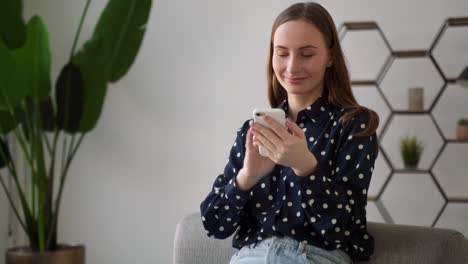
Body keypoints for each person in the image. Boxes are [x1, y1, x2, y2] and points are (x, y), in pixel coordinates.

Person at [200, 2, 379, 263]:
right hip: (251, 256)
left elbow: (343, 230)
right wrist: (247, 177)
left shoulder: (353, 125)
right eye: (282, 53)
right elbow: (213, 224)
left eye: (306, 54)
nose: (292, 66)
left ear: (330, 56)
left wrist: (306, 168)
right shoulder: (253, 131)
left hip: (315, 256)